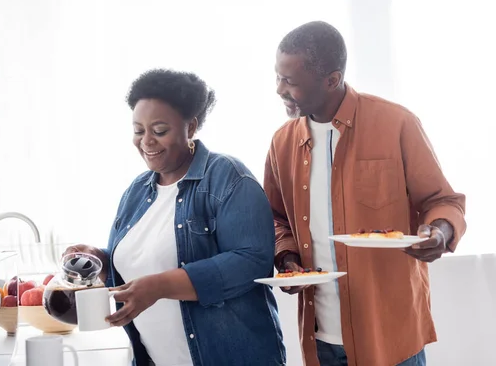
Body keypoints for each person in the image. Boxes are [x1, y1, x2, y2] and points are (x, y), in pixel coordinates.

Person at [264, 21, 466, 366]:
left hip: (391, 335)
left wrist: (439, 232)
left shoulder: (396, 123)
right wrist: (286, 259)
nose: (279, 89)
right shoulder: (282, 141)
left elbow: (442, 202)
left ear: (331, 79)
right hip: (320, 340)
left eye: (290, 81)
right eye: (278, 77)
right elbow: (275, 217)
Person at [64, 69, 286, 366]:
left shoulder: (227, 177)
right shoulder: (136, 192)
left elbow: (251, 261)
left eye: (159, 130)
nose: (147, 142)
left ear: (190, 126)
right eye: (138, 130)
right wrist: (98, 259)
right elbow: (131, 272)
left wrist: (160, 286)